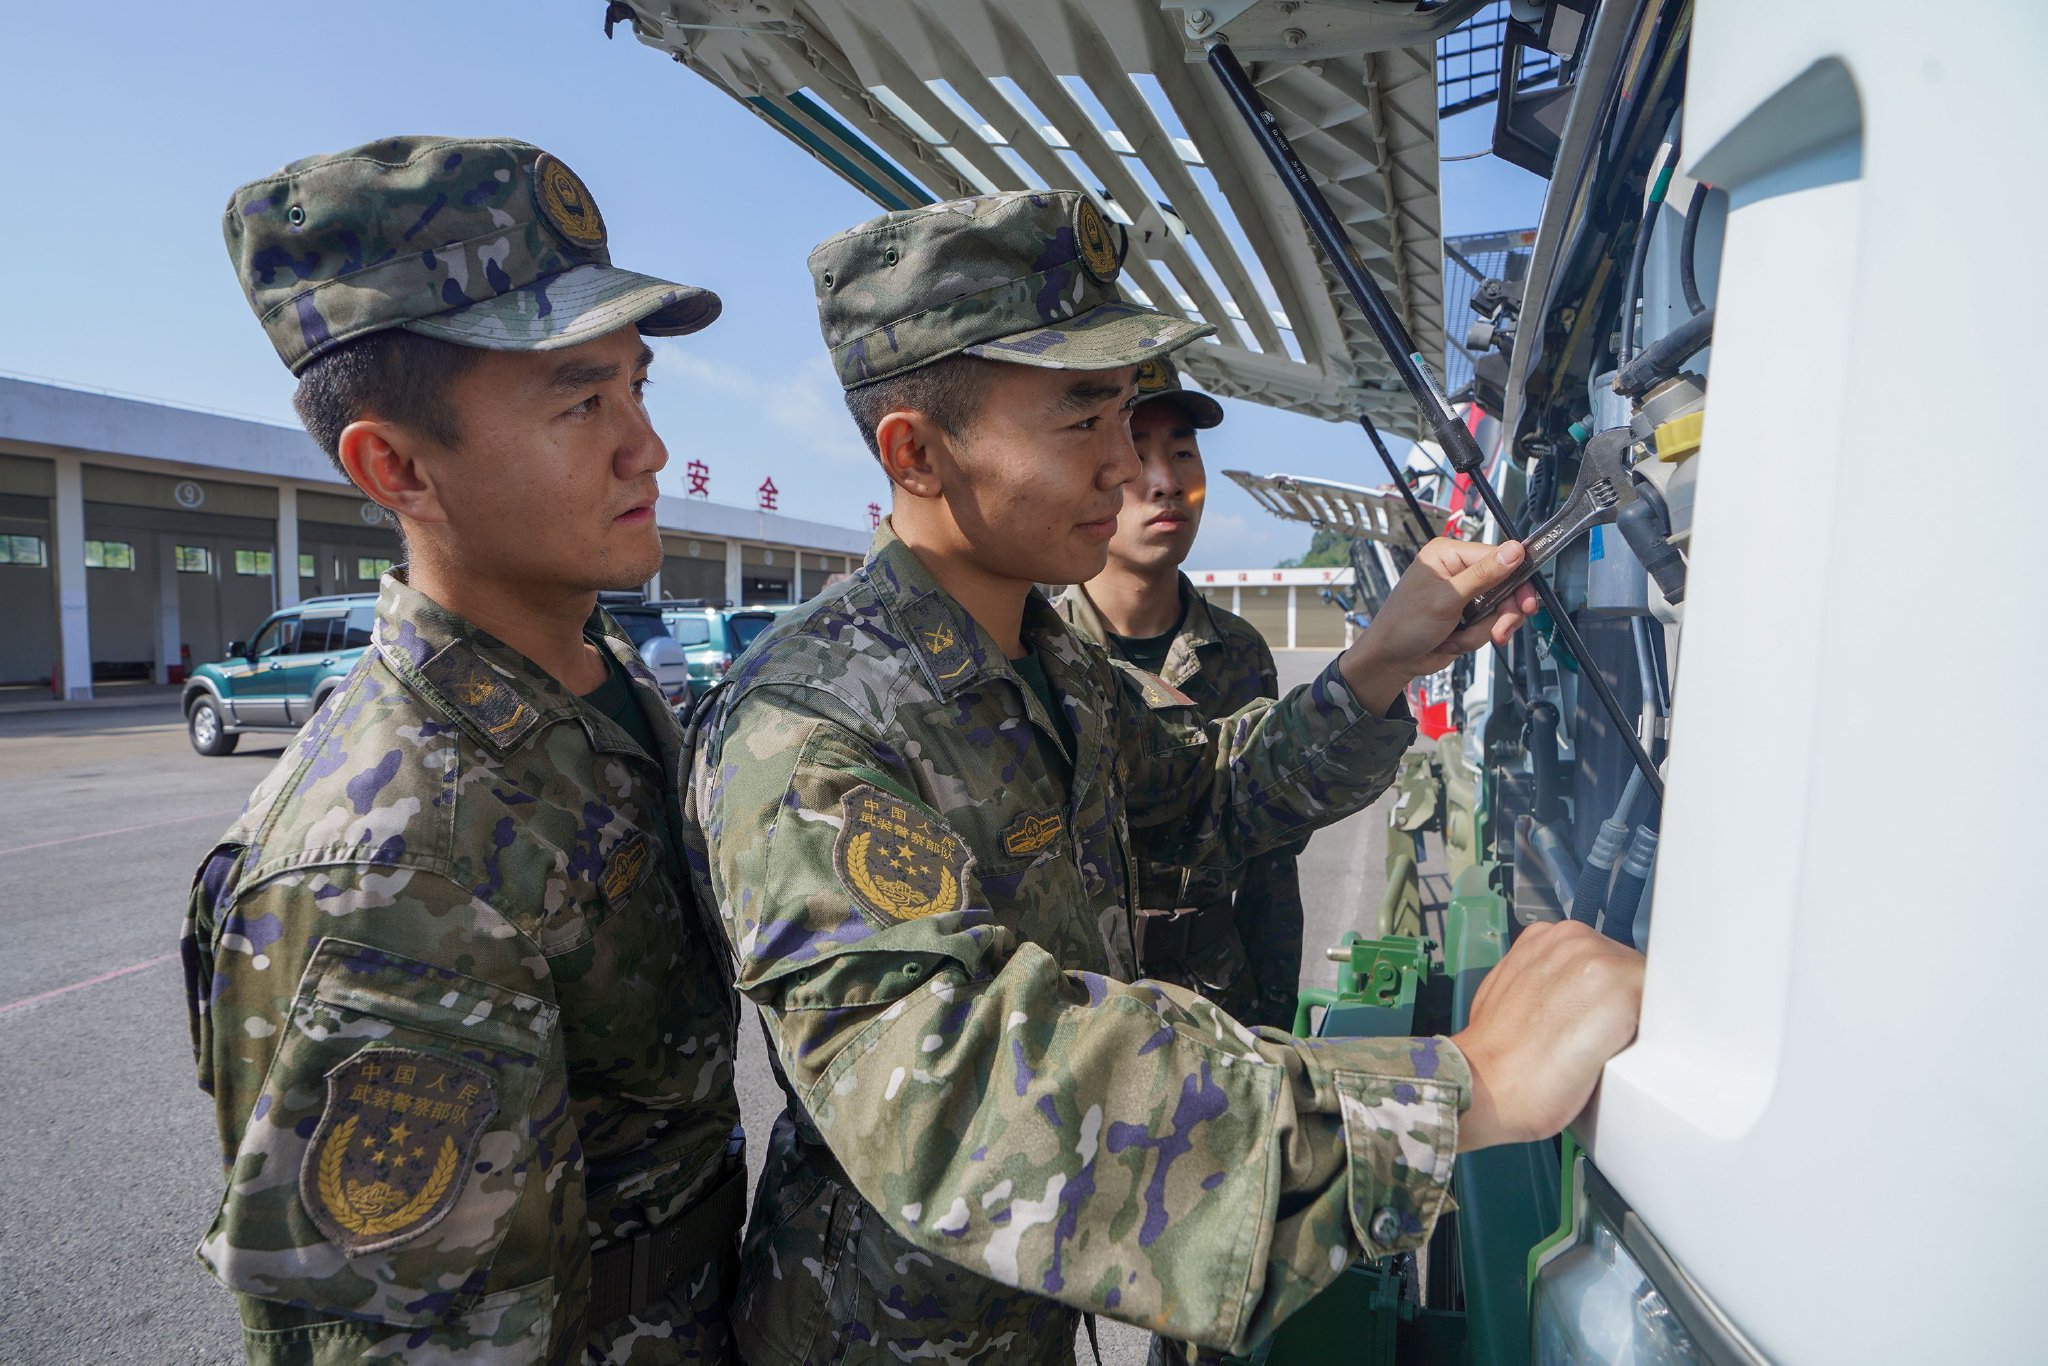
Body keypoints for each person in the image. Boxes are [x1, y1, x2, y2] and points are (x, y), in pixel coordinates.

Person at [683, 190, 1644, 1364]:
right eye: (1081, 418)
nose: (1123, 465)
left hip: (1027, 1298)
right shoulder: (808, 724)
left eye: (1131, 418)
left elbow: (1212, 798)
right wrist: (1459, 1088)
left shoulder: (1045, 661)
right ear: (916, 452)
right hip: (883, 1330)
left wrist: (1384, 662)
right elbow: (957, 1091)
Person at [181, 135, 744, 1363]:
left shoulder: (590, 680)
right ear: (396, 466)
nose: (642, 445)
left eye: (639, 387)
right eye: (581, 400)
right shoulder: (389, 866)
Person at [1054, 357, 1304, 1033]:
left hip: (1218, 1012)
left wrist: (1275, 1029)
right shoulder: (1041, 651)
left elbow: (1268, 868)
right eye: (1137, 453)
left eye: (1184, 454)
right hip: (1085, 1028)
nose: (1166, 484)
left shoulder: (1239, 652)